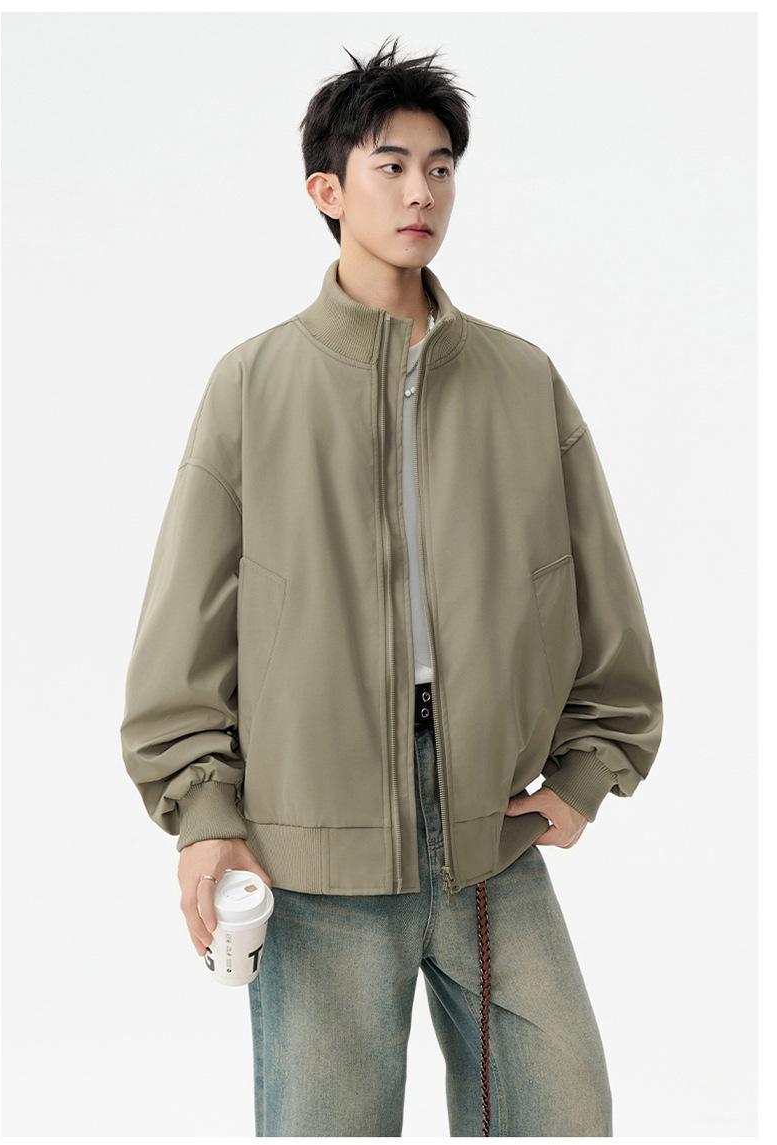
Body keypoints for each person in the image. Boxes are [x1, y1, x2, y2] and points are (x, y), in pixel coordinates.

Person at [120, 35, 663, 1137]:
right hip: (314, 852)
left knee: (563, 1108)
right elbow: (184, 631)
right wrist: (204, 815)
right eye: (392, 165)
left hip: (488, 840)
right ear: (327, 191)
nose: (422, 191)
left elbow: (600, 595)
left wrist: (587, 770)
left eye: (441, 167)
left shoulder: (521, 380)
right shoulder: (253, 384)